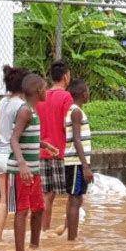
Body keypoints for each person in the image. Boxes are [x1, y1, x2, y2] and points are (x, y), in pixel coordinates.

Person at [7, 74, 59, 251]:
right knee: (22, 211)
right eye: (45, 88)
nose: (47, 91)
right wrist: (22, 164)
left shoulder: (33, 111)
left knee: (39, 208)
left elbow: (27, 137)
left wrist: (44, 145)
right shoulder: (25, 111)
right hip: (22, 171)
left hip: (33, 171)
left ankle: (34, 247)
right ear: (38, 91)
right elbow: (14, 138)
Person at [0, 65, 29, 242]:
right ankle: (20, 243)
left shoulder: (2, 102)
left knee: (3, 201)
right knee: (19, 205)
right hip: (11, 159)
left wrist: (0, 141)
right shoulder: (21, 106)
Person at [37, 60, 73, 232]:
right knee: (72, 193)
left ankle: (43, 231)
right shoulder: (66, 97)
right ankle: (68, 228)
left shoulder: (42, 96)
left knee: (47, 195)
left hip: (42, 152)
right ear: (65, 77)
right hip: (61, 151)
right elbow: (69, 125)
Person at [58, 79, 94, 241]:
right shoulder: (76, 112)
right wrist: (85, 166)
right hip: (75, 163)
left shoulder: (76, 110)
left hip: (79, 162)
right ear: (82, 94)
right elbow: (77, 140)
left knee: (78, 198)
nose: (88, 94)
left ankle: (73, 235)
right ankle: (71, 239)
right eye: (87, 91)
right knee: (74, 199)